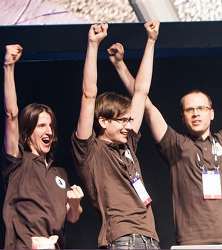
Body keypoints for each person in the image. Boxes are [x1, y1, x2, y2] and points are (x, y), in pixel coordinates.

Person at [108, 42, 222, 248]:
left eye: (201, 108)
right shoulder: (176, 145)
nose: (196, 113)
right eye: (189, 110)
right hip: (194, 243)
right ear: (183, 117)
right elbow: (144, 105)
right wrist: (119, 65)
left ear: (211, 113)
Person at [71, 21, 160, 249]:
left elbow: (141, 92)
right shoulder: (90, 150)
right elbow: (89, 95)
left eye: (129, 121)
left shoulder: (127, 143)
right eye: (122, 121)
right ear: (103, 121)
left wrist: (151, 41)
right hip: (122, 239)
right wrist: (93, 45)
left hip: (149, 237)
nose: (127, 126)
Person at [2, 44, 84, 250]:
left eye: (51, 126)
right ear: (28, 131)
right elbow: (11, 115)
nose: (48, 131)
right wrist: (9, 66)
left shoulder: (60, 173)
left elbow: (72, 217)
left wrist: (75, 203)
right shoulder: (18, 161)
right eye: (41, 125)